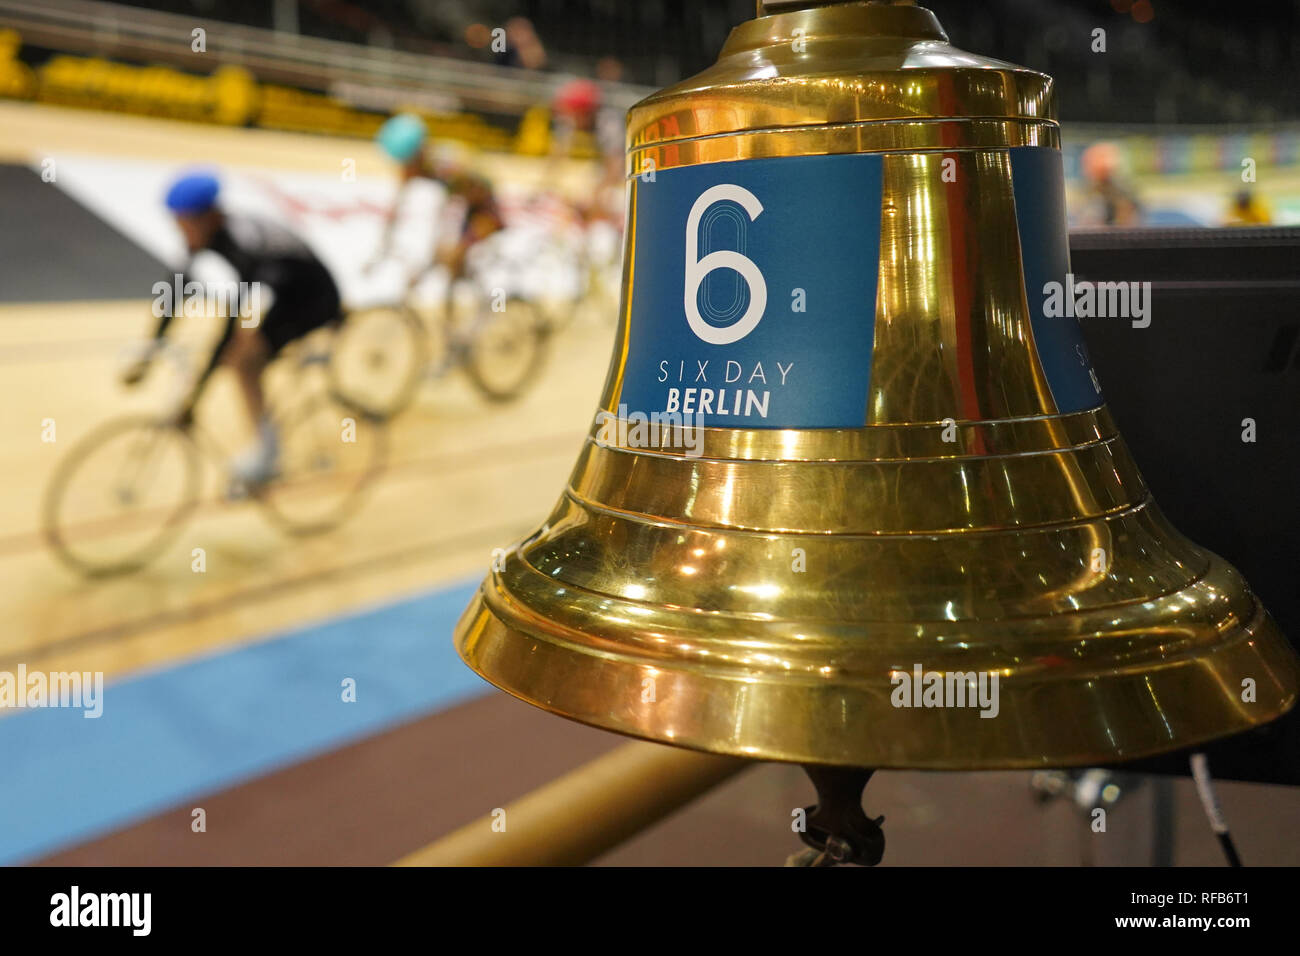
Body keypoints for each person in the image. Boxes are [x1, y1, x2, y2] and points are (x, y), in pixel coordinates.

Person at [122, 171, 342, 485]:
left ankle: (269, 454)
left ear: (209, 217)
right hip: (282, 289)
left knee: (242, 359)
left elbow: (231, 326)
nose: (182, 232)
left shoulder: (244, 245)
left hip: (312, 298)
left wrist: (194, 399)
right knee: (240, 350)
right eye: (178, 224)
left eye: (186, 224)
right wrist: (149, 354)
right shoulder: (206, 235)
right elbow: (173, 295)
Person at [370, 113, 505, 298]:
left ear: (418, 156)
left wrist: (453, 247)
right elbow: (396, 207)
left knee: (453, 253)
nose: (404, 171)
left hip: (484, 207)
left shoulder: (446, 166)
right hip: (465, 201)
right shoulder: (415, 165)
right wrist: (379, 249)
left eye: (407, 165)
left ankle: (478, 299)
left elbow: (454, 209)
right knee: (442, 253)